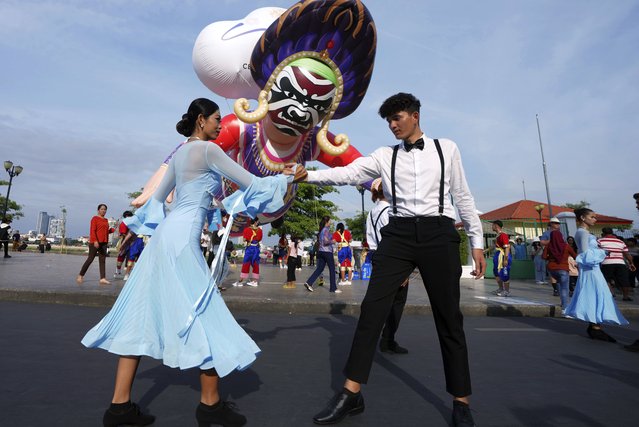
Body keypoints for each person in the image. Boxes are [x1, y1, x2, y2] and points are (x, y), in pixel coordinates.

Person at [81, 98, 293, 427]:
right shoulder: (209, 151)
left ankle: (119, 406)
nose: (220, 124)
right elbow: (252, 183)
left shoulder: (179, 154)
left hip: (164, 238)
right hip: (182, 242)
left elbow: (154, 203)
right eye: (216, 119)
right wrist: (288, 177)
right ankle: (210, 404)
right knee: (204, 312)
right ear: (200, 120)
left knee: (139, 314)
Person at [292, 92, 485, 426]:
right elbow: (348, 173)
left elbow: (463, 196)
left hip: (439, 233)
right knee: (371, 310)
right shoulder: (384, 156)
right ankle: (352, 394)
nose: (393, 125)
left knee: (449, 318)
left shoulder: (447, 148)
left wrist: (476, 241)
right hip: (398, 235)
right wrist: (307, 175)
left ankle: (461, 401)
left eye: (397, 118)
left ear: (414, 115)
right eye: (389, 121)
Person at [563, 208, 628, 343]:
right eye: (592, 217)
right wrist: (603, 253)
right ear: (582, 218)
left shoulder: (583, 232)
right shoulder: (583, 233)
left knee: (595, 295)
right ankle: (595, 327)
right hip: (591, 270)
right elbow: (585, 255)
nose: (595, 219)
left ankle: (595, 325)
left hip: (592, 269)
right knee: (595, 294)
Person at [366, 178, 409, 354]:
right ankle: (387, 339)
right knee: (397, 302)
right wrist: (403, 270)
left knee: (380, 301)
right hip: (392, 259)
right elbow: (394, 241)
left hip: (376, 255)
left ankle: (372, 338)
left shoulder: (372, 212)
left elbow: (370, 238)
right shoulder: (390, 212)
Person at [76, 204, 114, 285]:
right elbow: (93, 231)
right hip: (95, 242)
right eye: (102, 209)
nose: (103, 211)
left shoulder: (106, 220)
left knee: (102, 260)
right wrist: (95, 241)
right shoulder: (95, 218)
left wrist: (113, 230)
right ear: (98, 210)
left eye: (105, 209)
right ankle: (80, 275)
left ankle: (102, 278)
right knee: (90, 259)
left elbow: (106, 231)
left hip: (104, 242)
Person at [304, 216, 339, 294]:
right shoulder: (326, 230)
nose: (331, 222)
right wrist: (332, 241)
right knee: (332, 269)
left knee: (319, 269)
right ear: (327, 222)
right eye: (330, 221)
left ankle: (309, 282)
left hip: (320, 252)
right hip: (327, 252)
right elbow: (326, 242)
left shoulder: (321, 231)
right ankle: (333, 288)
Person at [598, 227, 636, 301]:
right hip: (620, 263)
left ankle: (611, 295)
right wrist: (631, 263)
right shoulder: (620, 242)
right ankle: (625, 296)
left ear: (603, 233)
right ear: (612, 232)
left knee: (606, 279)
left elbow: (597, 252)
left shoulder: (600, 241)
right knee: (624, 280)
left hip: (606, 263)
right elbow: (627, 254)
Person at [543, 230, 577, 310]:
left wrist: (551, 258)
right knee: (565, 288)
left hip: (552, 269)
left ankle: (563, 302)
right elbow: (575, 256)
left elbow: (544, 257)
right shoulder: (566, 246)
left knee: (558, 284)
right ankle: (565, 308)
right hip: (563, 269)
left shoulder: (549, 246)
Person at [232, 218, 262, 287]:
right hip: (256, 249)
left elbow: (244, 239)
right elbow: (259, 239)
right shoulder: (259, 230)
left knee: (246, 263)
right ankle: (255, 281)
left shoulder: (246, 230)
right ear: (255, 222)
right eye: (257, 221)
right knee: (255, 264)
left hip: (249, 249)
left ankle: (241, 280)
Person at [491, 220, 511, 296]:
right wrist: (484, 251)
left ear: (496, 226)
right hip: (498, 255)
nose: (491, 227)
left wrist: (505, 259)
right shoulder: (497, 236)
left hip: (503, 256)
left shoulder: (503, 235)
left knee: (504, 273)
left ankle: (507, 291)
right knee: (496, 272)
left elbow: (507, 248)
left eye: (492, 225)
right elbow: (494, 246)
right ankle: (500, 289)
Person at [114, 211, 134, 278]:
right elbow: (123, 234)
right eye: (128, 216)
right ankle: (118, 270)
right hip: (124, 242)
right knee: (121, 256)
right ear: (125, 217)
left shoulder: (132, 223)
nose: (129, 218)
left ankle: (127, 273)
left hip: (131, 242)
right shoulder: (123, 223)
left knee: (131, 257)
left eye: (130, 216)